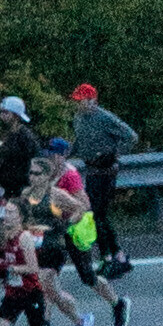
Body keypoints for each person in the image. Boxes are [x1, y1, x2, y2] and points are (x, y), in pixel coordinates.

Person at [66, 82, 138, 309]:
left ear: (93, 100)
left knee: (96, 212)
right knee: (98, 214)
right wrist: (66, 155)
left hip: (105, 169)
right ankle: (115, 255)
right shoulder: (79, 119)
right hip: (92, 170)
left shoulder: (104, 117)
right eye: (78, 101)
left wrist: (115, 154)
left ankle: (111, 256)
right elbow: (79, 142)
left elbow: (130, 136)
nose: (81, 105)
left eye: (84, 101)